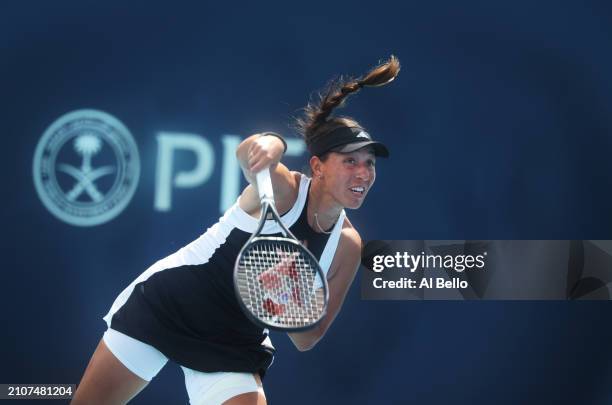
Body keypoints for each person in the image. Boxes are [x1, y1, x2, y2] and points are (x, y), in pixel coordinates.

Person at [71, 55, 400, 405]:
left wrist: (287, 298)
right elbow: (248, 157)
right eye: (350, 161)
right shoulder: (283, 190)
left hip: (233, 342)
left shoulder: (348, 246)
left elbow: (308, 338)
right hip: (167, 306)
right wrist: (272, 143)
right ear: (317, 166)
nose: (363, 174)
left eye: (369, 164)